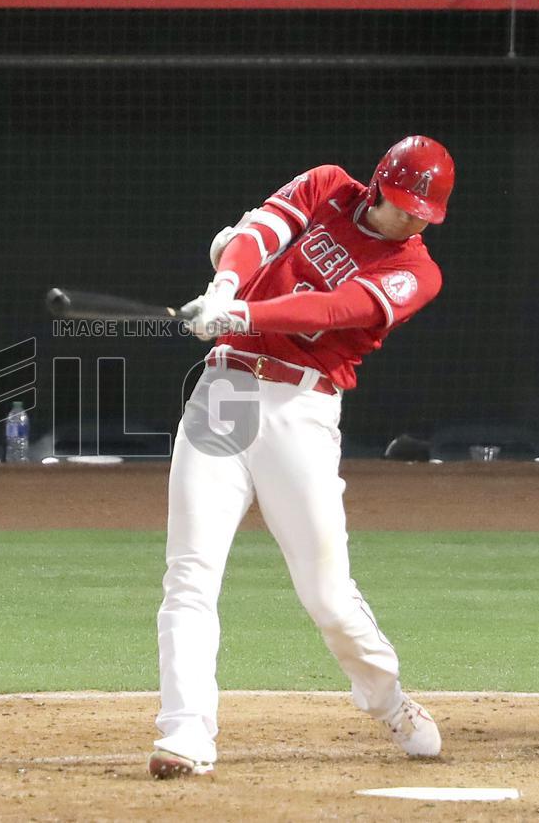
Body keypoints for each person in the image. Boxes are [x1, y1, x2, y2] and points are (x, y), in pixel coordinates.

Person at [149, 136, 455, 779]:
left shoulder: (417, 271)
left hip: (302, 411)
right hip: (226, 388)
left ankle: (389, 701)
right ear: (378, 185)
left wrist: (246, 310)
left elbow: (334, 307)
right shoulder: (327, 186)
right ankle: (184, 734)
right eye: (403, 205)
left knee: (327, 596)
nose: (410, 218)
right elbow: (258, 231)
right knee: (190, 574)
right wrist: (225, 282)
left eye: (422, 212)